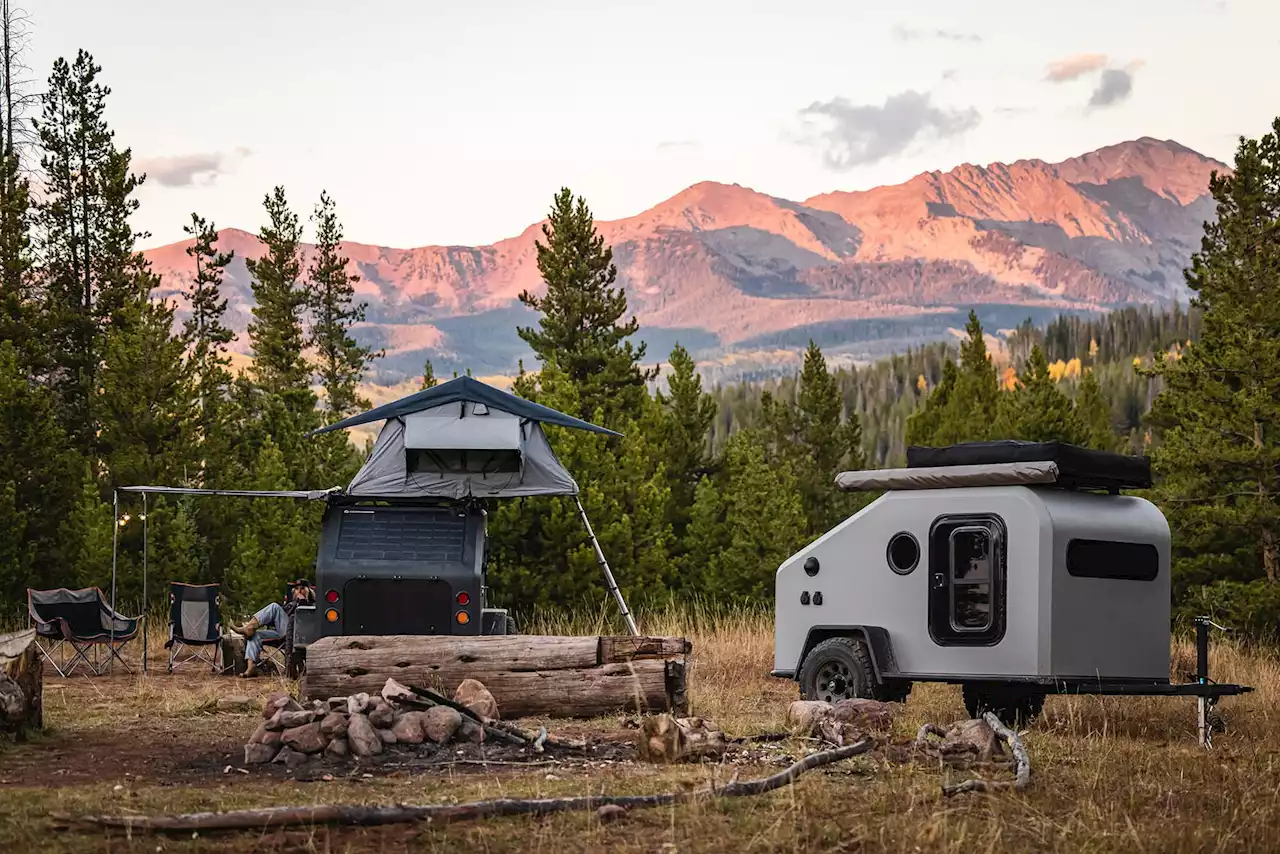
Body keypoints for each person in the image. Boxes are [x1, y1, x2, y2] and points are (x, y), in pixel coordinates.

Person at [231, 579, 314, 678]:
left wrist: (303, 601)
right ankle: (251, 667)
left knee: (274, 607)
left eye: (302, 588)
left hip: (298, 634)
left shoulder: (312, 605)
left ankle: (249, 627)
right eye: (296, 589)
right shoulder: (290, 604)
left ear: (309, 591)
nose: (299, 591)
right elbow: (275, 618)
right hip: (282, 633)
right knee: (255, 635)